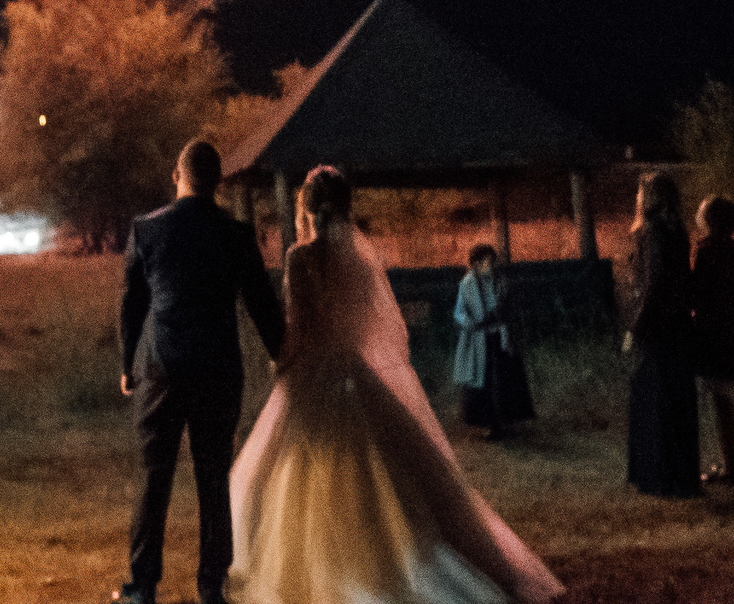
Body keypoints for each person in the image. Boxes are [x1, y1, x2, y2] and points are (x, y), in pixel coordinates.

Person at [229, 164, 563, 604]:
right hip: (355, 375)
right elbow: (368, 327)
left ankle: (333, 567)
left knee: (290, 471)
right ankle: (397, 559)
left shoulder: (300, 259)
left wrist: (283, 363)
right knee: (390, 476)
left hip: (314, 377)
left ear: (306, 209)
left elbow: (299, 328)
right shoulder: (361, 264)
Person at [116, 139, 286, 604]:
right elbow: (261, 303)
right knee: (214, 480)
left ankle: (143, 586)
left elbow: (132, 304)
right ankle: (212, 585)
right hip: (218, 371)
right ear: (218, 183)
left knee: (154, 477)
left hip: (162, 369)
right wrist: (282, 354)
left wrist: (128, 363)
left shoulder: (147, 231)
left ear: (178, 176)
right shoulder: (236, 235)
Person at [622, 171, 700, 498]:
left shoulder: (653, 232)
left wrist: (636, 327)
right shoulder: (676, 230)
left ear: (650, 197)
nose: (637, 199)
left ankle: (659, 476)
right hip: (677, 326)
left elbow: (654, 284)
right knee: (675, 400)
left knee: (656, 401)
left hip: (659, 329)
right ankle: (679, 476)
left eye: (640, 193)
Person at [690, 196, 734, 486]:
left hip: (712, 333)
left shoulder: (706, 252)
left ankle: (730, 466)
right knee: (730, 400)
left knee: (720, 399)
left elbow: (697, 293)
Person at [452, 243, 534, 438]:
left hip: (499, 336)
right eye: (484, 261)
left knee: (504, 380)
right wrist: (470, 323)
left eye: (490, 261)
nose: (488, 265)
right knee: (484, 383)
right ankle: (488, 424)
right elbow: (459, 312)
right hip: (479, 339)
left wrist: (501, 315)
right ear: (475, 263)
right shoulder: (466, 284)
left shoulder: (500, 282)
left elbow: (508, 307)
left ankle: (505, 422)